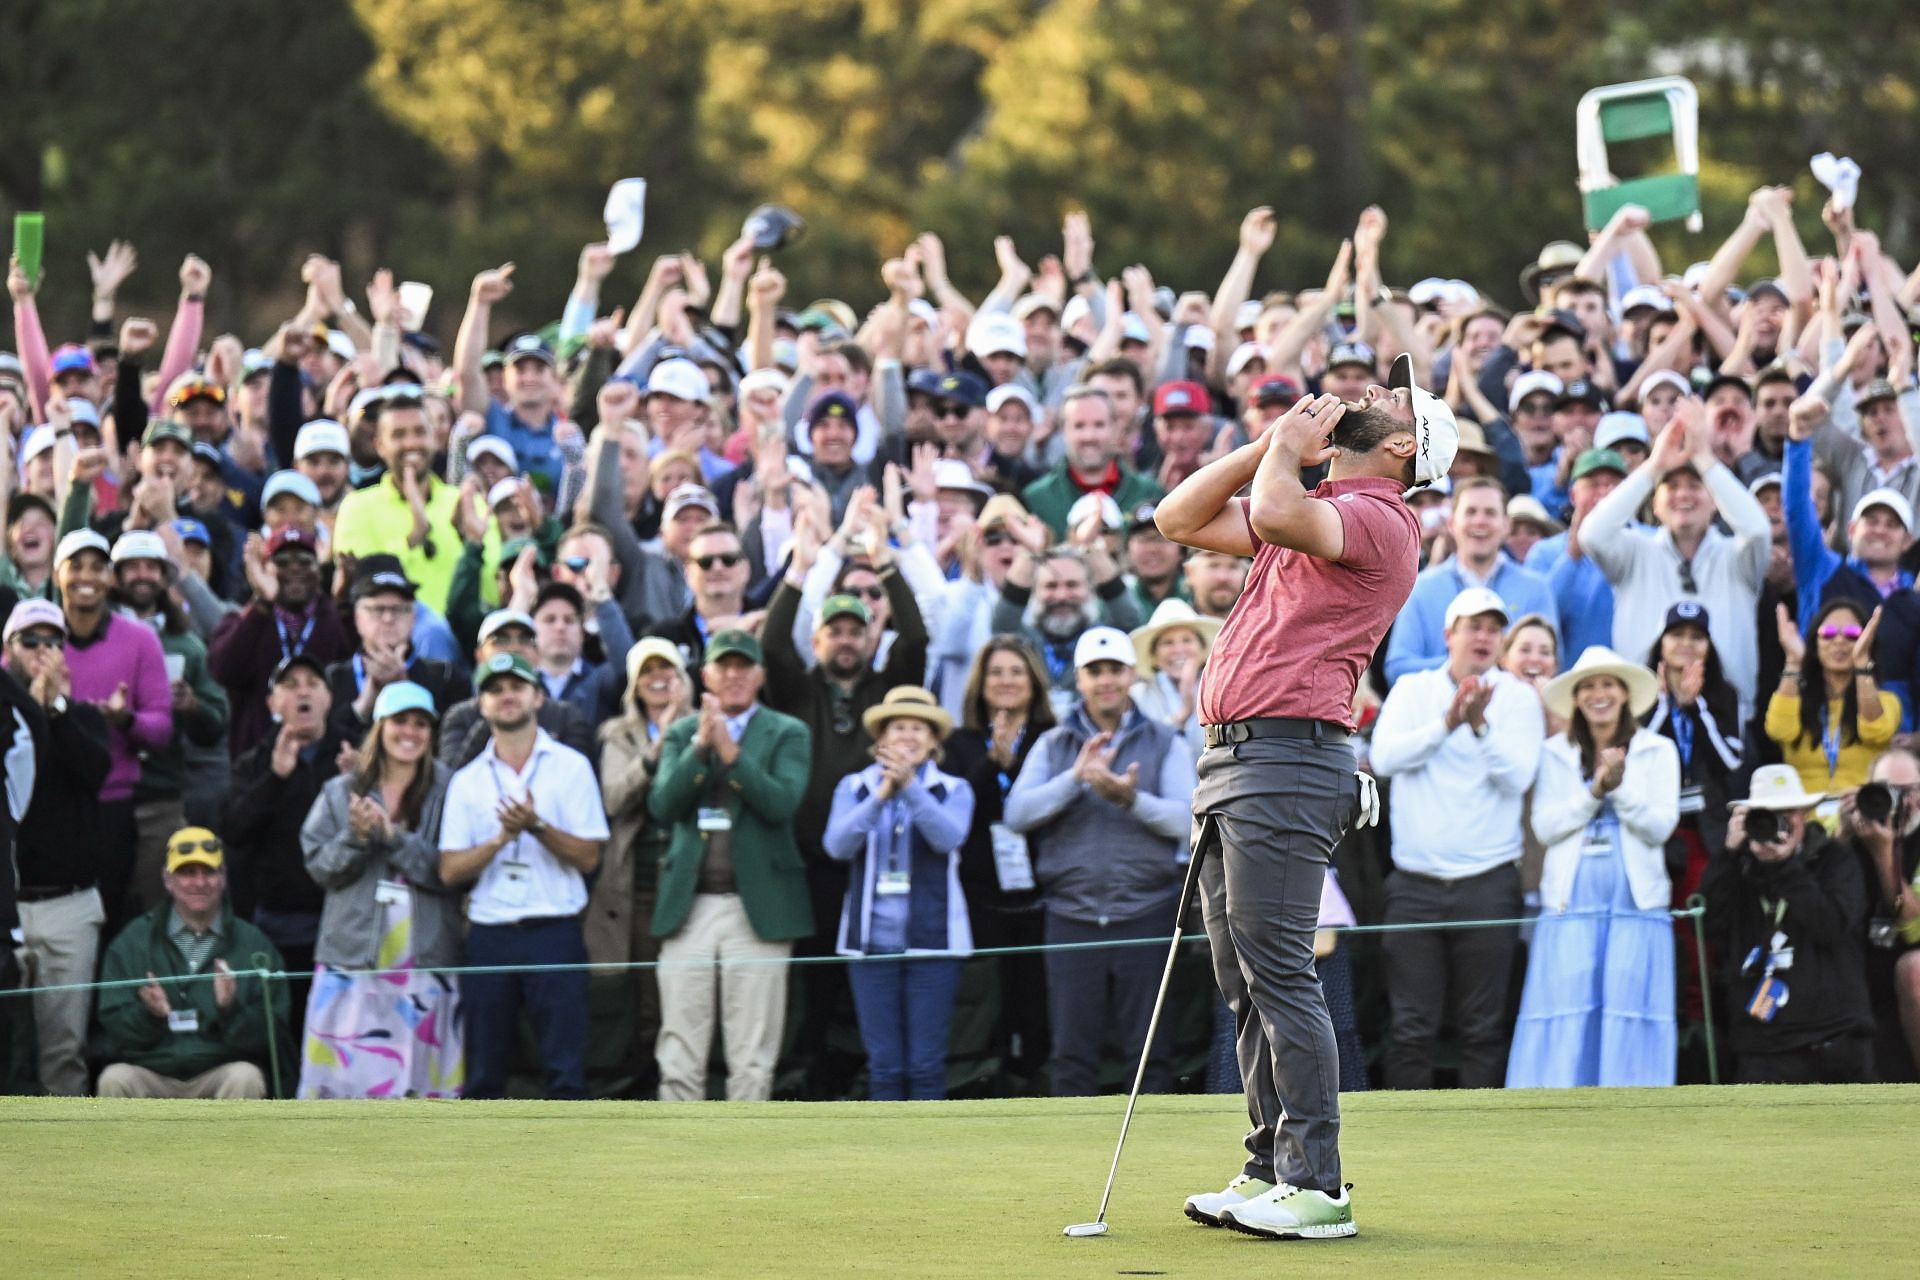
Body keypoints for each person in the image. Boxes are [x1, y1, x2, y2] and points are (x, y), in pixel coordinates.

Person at [1153, 361, 1454, 1239]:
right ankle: (1269, 1167)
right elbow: (1178, 518)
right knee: (1244, 977)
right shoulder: (1321, 512)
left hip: (1289, 756)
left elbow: (1282, 510)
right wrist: (1265, 445)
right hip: (1242, 759)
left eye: (1392, 400)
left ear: (1402, 447)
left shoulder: (1380, 518)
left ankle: (1317, 1184)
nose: (1372, 394)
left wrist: (1286, 453)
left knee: (1280, 971)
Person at [1003, 626, 1194, 1098]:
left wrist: (1131, 801)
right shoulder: (1055, 743)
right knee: (1071, 1054)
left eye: (1114, 670)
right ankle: (1072, 1161)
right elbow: (1016, 814)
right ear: (1080, 679)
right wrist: (1075, 779)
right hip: (1071, 913)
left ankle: (1155, 1159)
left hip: (1146, 909)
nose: (1106, 680)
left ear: (1132, 675)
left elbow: (1188, 818)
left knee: (1149, 1056)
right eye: (1095, 672)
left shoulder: (1165, 740)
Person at [1371, 585, 1545, 1089]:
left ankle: (1485, 1145)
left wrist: (1481, 728)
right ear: (1450, 634)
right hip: (1415, 883)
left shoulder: (1516, 699)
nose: (1484, 637)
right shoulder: (1413, 689)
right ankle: (1408, 1141)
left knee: (1483, 1028)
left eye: (1494, 629)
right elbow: (1384, 759)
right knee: (1410, 1028)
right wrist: (1447, 725)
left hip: (1488, 881)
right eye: (1474, 626)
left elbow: (1518, 778)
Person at [648, 630, 814, 1101]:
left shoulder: (787, 732)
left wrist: (730, 753)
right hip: (690, 907)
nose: (734, 675)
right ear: (706, 676)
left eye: (744, 667)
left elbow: (781, 803)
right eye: (725, 666)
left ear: (761, 675)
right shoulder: (682, 733)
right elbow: (661, 805)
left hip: (756, 909)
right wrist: (701, 748)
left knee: (753, 1056)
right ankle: (677, 1161)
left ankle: (745, 1165)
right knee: (679, 1048)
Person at [1509, 647, 1680, 1087]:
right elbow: (1545, 826)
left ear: (1624, 694)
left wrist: (1617, 790)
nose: (1598, 694)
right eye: (1588, 686)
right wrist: (1595, 791)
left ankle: (1636, 1107)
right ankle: (1554, 1107)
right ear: (1577, 698)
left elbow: (1661, 826)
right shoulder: (1554, 752)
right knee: (1567, 1005)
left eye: (1607, 684)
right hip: (1570, 905)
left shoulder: (1658, 750)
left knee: (1630, 1007)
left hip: (1636, 905)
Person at [438, 651, 606, 1099]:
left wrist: (537, 827)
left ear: (537, 695)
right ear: (482, 704)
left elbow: (589, 857)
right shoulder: (467, 780)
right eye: (494, 689)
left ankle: (571, 1167)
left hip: (555, 930)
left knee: (566, 1073)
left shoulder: (572, 767)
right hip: (490, 934)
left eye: (515, 686)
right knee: (484, 1076)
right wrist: (498, 840)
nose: (506, 696)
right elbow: (450, 869)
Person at [299, 681, 462, 1099]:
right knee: (343, 1087)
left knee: (421, 1091)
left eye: (420, 723)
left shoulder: (451, 790)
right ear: (379, 727)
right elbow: (319, 868)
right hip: (351, 961)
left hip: (425, 960)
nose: (410, 732)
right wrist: (355, 838)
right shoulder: (340, 792)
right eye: (400, 721)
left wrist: (393, 838)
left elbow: (452, 872)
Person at [822, 687, 975, 1100]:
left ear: (933, 740)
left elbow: (948, 838)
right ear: (882, 740)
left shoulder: (954, 788)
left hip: (936, 948)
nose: (908, 735)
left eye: (918, 728)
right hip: (870, 946)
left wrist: (911, 788)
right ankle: (883, 1159)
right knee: (884, 1065)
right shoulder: (854, 786)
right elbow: (837, 846)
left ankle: (930, 1160)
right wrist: (882, 795)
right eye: (898, 727)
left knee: (926, 1065)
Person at [1581, 402, 1772, 718]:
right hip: (1643, 718)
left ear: (1715, 502)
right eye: (1671, 486)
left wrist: (1704, 458)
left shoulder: (1737, 558)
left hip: (1728, 719)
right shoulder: (1634, 552)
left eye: (1695, 485)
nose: (1683, 494)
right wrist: (1653, 467)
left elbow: (1758, 530)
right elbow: (1592, 534)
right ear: (1654, 505)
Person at [1702, 765, 1874, 1083]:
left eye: (1788, 812)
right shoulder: (1737, 868)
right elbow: (1711, 923)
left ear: (1805, 814)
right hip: (1763, 1048)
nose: (1779, 823)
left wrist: (1784, 868)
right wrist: (1727, 853)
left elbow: (1831, 925)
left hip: (1834, 1038)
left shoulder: (1836, 859)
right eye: (1767, 814)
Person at [93, 829, 288, 1099]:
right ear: (167, 880)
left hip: (220, 1070)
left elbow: (273, 1035)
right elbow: (113, 1031)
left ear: (223, 878)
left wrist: (230, 1009)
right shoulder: (131, 942)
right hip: (152, 1072)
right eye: (187, 873)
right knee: (114, 1079)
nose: (200, 882)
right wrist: (150, 1015)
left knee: (246, 1077)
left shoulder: (255, 944)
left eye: (209, 872)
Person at [5, 599, 110, 1096]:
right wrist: (30, 711)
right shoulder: (6, 726)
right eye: (31, 642)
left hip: (69, 905)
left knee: (63, 1054)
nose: (43, 652)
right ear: (9, 653)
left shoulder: (83, 717)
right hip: (11, 909)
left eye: (54, 642)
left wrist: (55, 710)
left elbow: (95, 772)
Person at [942, 637, 1056, 1091]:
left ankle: (1037, 1086)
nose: (1006, 681)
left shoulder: (1053, 739)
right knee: (988, 1003)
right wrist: (992, 763)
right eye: (996, 673)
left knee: (1036, 1005)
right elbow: (956, 813)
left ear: (1033, 681)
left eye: (1016, 671)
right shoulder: (959, 743)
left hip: (1043, 892)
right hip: (980, 896)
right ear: (980, 684)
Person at [587, 637, 693, 1097]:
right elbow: (613, 797)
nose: (657, 678)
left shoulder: (705, 727)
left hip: (693, 878)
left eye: (665, 669)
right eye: (647, 670)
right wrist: (654, 752)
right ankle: (646, 1082)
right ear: (634, 683)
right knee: (645, 990)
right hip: (640, 880)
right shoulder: (618, 734)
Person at [54, 529, 173, 935]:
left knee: (113, 923)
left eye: (97, 567)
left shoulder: (140, 639)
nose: (86, 576)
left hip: (114, 808)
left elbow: (161, 729)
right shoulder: (36, 638)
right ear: (58, 576)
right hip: (49, 808)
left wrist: (127, 721)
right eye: (76, 566)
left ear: (111, 579)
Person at [1382, 475, 1559, 684]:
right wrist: (1464, 664)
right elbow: (1398, 667)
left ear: (1506, 525)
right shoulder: (1421, 587)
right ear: (1451, 523)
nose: (1480, 521)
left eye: (1490, 513)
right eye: (1471, 512)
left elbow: (1552, 664)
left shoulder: (1536, 588)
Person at [209, 524, 352, 758]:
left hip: (325, 764)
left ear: (319, 570)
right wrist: (263, 604)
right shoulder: (239, 620)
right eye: (283, 562)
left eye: (305, 562)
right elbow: (223, 671)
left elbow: (351, 668)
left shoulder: (336, 620)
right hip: (257, 766)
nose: (295, 570)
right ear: (265, 570)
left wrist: (343, 603)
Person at [1765, 599, 1897, 798]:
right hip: (1805, 820)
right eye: (1828, 633)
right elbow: (1778, 730)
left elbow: (1876, 731)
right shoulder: (1795, 700)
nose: (1839, 641)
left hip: (1861, 817)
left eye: (1852, 634)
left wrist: (1862, 662)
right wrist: (1793, 661)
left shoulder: (1887, 701)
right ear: (1814, 643)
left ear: (1867, 641)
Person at [1844, 743, 1920, 1077]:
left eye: (1910, 790)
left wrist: (1883, 854)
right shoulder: (1855, 831)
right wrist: (1840, 839)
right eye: (1889, 790)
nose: (1902, 801)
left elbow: (1913, 928)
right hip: (1862, 977)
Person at [1127, 597, 1220, 756]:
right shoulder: (1136, 697)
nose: (1178, 649)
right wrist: (1183, 713)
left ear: (1203, 649)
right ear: (1154, 655)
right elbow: (1142, 751)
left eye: (1187, 640)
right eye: (1168, 643)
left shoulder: (1220, 692)